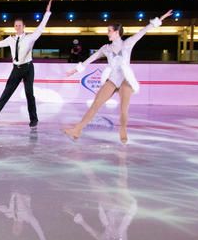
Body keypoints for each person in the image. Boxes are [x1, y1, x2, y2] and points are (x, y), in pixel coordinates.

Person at [64, 10, 173, 143]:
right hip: (113, 79)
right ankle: (77, 130)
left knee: (123, 109)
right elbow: (90, 59)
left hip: (125, 80)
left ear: (116, 32)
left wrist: (160, 18)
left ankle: (123, 130)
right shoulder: (106, 48)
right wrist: (74, 70)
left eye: (109, 30)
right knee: (95, 105)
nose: (107, 32)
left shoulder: (128, 43)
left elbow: (144, 30)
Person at [0, 0, 52, 128]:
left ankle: (34, 119)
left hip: (28, 68)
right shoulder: (10, 39)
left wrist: (47, 13)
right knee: (6, 93)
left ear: (24, 27)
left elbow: (41, 28)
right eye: (16, 25)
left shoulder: (30, 38)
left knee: (29, 94)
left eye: (20, 25)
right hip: (16, 69)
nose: (17, 27)